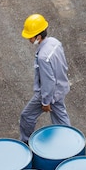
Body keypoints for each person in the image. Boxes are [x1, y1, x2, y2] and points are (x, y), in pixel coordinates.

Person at [19, 13, 71, 143]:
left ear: (38, 37)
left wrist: (46, 102)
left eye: (30, 37)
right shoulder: (55, 42)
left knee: (27, 116)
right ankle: (69, 142)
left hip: (48, 93)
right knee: (60, 117)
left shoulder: (43, 57)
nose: (29, 40)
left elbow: (48, 81)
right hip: (61, 88)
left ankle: (26, 143)